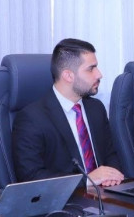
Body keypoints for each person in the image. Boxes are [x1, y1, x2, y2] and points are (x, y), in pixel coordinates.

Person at [11, 38, 124, 185]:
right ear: (68, 75)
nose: (99, 74)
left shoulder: (96, 108)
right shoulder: (31, 118)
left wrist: (111, 177)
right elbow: (31, 177)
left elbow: (110, 154)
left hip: (106, 192)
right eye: (91, 69)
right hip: (68, 198)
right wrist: (87, 181)